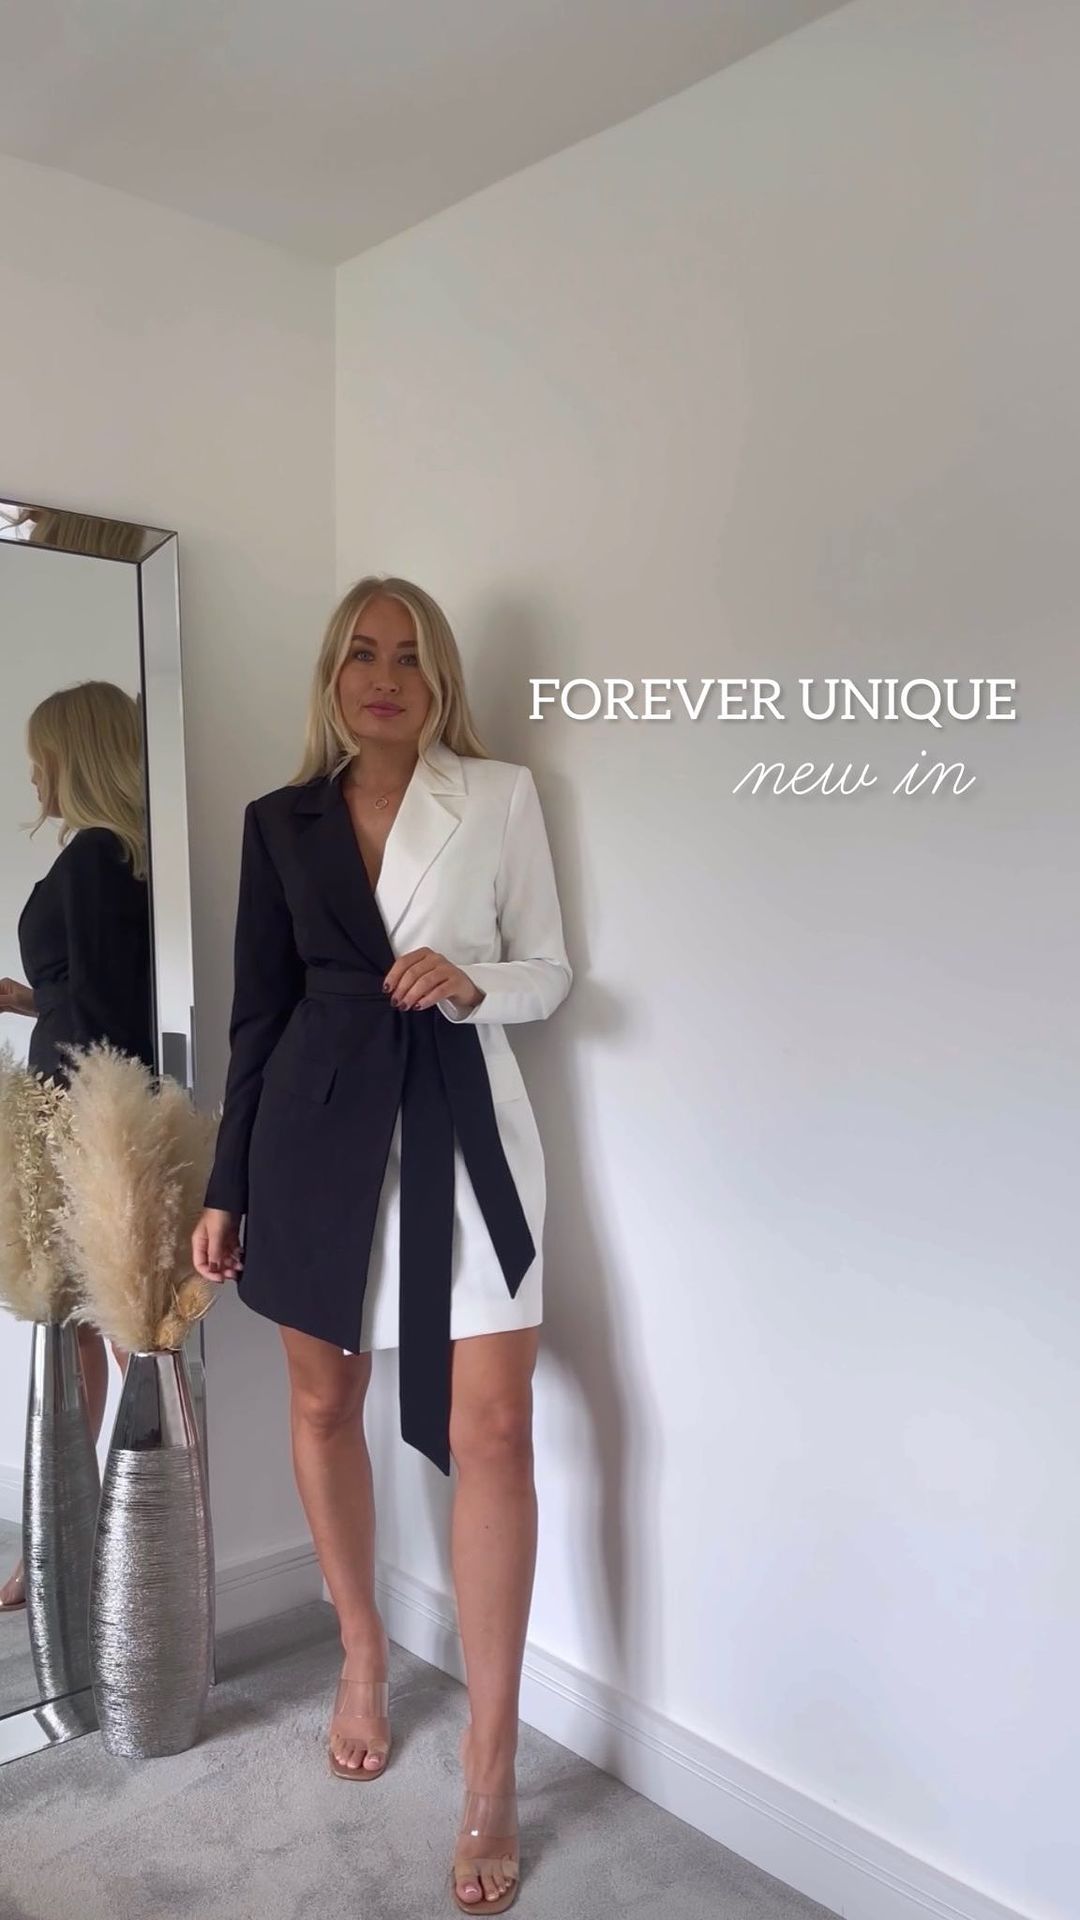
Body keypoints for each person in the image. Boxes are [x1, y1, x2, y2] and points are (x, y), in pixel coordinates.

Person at [191, 576, 572, 1913]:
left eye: (410, 655)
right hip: (313, 1134)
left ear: (440, 677)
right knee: (323, 1401)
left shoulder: (500, 795)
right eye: (362, 653)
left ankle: (490, 1762)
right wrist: (225, 1185)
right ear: (333, 675)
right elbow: (255, 1015)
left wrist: (474, 981)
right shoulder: (279, 820)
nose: (386, 675)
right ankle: (362, 1651)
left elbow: (551, 970)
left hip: (465, 1130)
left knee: (498, 1430)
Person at [0, 680, 154, 1611]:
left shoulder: (97, 854)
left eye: (41, 756)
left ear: (74, 755)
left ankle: (119, 1545)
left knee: (115, 1330)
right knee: (88, 1327)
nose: (33, 775)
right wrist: (32, 999)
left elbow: (107, 1016)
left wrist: (90, 1134)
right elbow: (94, 996)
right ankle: (75, 1545)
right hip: (77, 1107)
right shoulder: (103, 855)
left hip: (82, 1116)